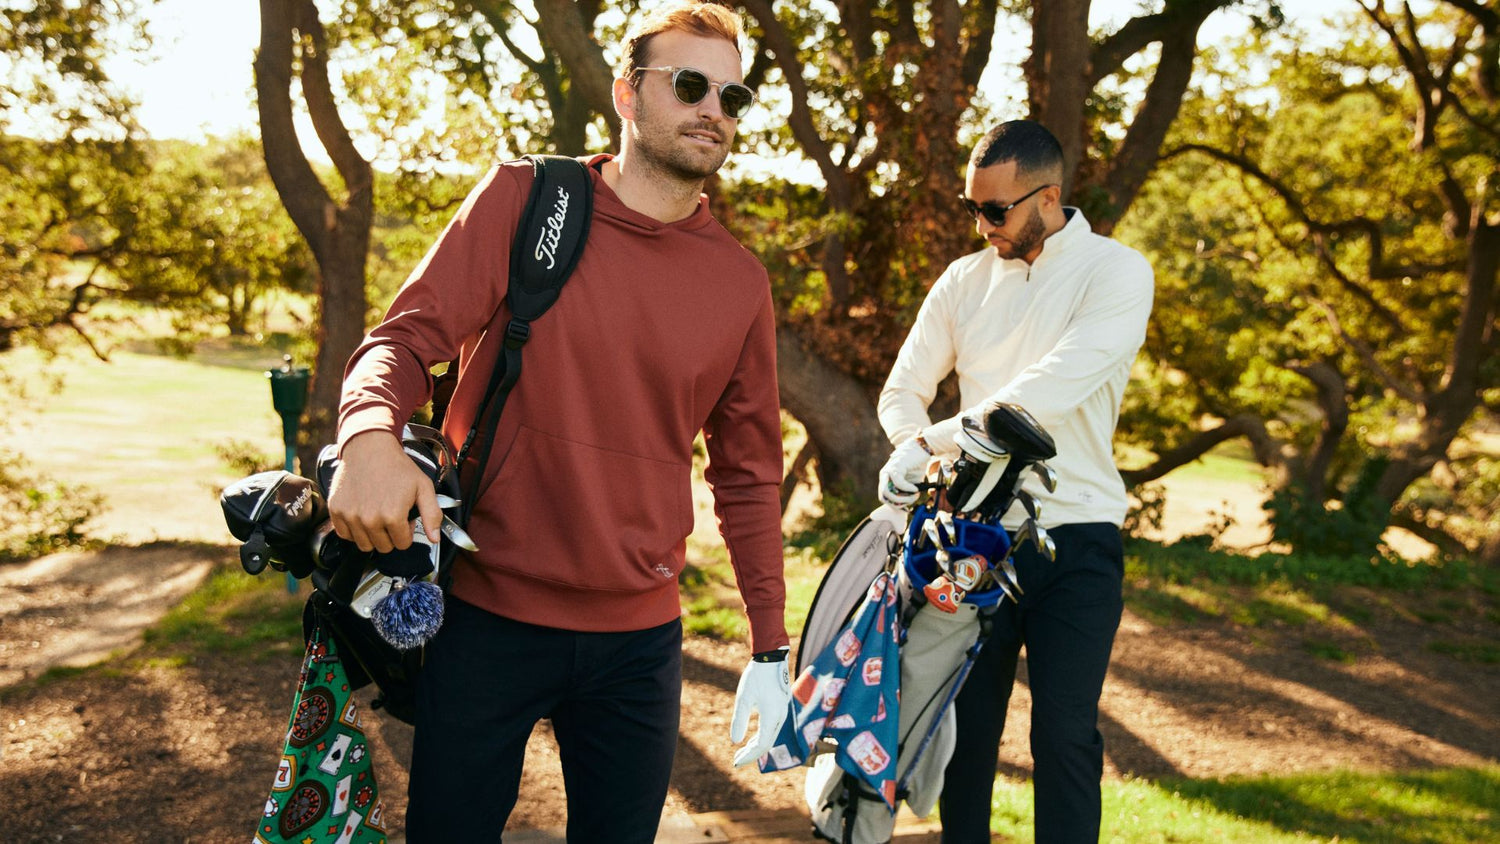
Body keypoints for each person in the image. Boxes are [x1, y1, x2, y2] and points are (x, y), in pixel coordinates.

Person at [326, 3, 791, 840]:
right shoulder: (525, 199)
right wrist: (365, 438)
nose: (714, 111)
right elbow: (402, 340)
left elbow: (749, 475)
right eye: (690, 85)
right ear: (627, 92)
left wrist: (768, 644)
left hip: (639, 641)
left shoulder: (740, 284)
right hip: (486, 617)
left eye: (734, 97)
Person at [875, 120, 1155, 843]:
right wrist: (915, 448)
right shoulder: (963, 280)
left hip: (1079, 539)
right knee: (964, 737)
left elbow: (1037, 399)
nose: (983, 224)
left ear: (1048, 197)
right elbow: (901, 390)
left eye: (996, 211)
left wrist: (934, 441)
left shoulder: (1117, 272)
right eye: (974, 208)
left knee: (1064, 740)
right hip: (973, 538)